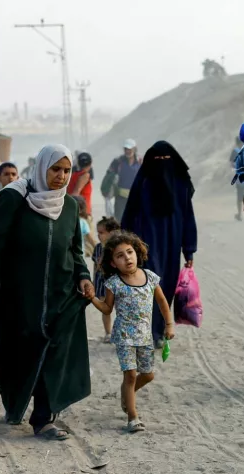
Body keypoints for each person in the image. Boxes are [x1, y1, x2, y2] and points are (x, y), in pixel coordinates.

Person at [0, 144, 94, 440]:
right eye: (56, 169)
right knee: (16, 354)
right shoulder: (14, 199)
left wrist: (82, 276)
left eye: (67, 171)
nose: (62, 176)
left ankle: (44, 418)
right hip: (18, 296)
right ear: (42, 168)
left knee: (54, 353)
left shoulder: (69, 206)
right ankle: (14, 400)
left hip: (61, 293)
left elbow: (75, 250)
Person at [88, 231, 175, 433]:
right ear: (113, 263)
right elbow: (107, 309)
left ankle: (127, 394)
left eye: (130, 252)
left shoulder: (150, 277)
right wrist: (92, 298)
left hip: (145, 336)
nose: (127, 257)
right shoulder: (114, 284)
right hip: (125, 337)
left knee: (149, 375)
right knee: (130, 376)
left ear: (137, 253)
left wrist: (169, 324)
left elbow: (162, 302)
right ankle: (132, 417)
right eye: (120, 255)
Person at [120, 141, 197, 348]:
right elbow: (130, 212)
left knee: (168, 286)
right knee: (149, 285)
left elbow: (188, 216)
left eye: (166, 160)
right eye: (158, 160)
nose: (162, 165)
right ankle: (150, 331)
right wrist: (125, 242)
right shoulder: (144, 181)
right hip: (145, 243)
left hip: (172, 243)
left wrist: (189, 249)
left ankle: (160, 328)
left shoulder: (180, 184)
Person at [92, 216, 122, 343]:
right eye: (98, 233)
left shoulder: (116, 248)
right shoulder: (98, 248)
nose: (99, 236)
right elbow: (95, 266)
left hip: (115, 284)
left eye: (101, 233)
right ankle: (108, 333)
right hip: (101, 283)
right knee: (105, 309)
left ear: (111, 233)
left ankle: (120, 333)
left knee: (119, 309)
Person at [103, 139, 141, 220]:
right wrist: (107, 192)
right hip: (120, 197)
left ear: (134, 149)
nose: (127, 151)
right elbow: (108, 176)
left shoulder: (141, 161)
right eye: (126, 149)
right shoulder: (117, 161)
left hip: (137, 197)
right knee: (119, 219)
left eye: (129, 149)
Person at [231, 137, 244, 222]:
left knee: (239, 197)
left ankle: (240, 215)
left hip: (240, 178)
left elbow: (232, 163)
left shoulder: (235, 151)